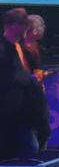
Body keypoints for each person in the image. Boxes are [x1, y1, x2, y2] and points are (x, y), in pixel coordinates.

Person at [0, 9, 50, 159]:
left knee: (31, 148)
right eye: (24, 24)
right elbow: (17, 78)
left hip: (20, 116)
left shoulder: (16, 49)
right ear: (13, 26)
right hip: (10, 118)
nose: (26, 28)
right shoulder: (4, 51)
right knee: (29, 150)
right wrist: (30, 81)